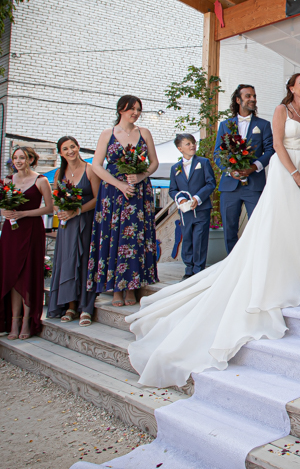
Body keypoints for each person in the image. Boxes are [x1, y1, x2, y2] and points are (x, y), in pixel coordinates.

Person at [126, 73, 300, 388]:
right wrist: (276, 172)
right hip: (276, 176)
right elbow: (260, 148)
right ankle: (252, 271)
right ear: (290, 88)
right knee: (256, 229)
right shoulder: (272, 113)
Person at [88, 95, 160, 307]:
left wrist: (141, 176)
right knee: (114, 236)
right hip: (113, 192)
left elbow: (154, 162)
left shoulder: (144, 133)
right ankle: (116, 289)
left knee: (135, 238)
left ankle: (132, 287)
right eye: (132, 109)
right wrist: (119, 185)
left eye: (138, 109)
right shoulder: (107, 134)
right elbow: (96, 165)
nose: (136, 113)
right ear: (121, 110)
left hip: (138, 192)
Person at [0, 146, 53, 340]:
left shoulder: (41, 180)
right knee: (12, 274)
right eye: (15, 158)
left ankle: (27, 320)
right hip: (11, 231)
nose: (18, 161)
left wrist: (24, 213)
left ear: (31, 159)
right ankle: (14, 320)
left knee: (27, 273)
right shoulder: (7, 181)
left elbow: (49, 208)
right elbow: (1, 207)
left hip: (32, 230)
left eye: (22, 158)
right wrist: (4, 212)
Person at [214, 84, 274, 255]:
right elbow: (217, 153)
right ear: (238, 100)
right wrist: (229, 170)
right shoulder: (225, 125)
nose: (252, 99)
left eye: (254, 96)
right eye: (248, 96)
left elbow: (270, 151)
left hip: (254, 185)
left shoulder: (263, 125)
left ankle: (255, 261)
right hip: (229, 186)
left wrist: (253, 168)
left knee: (258, 227)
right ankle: (233, 264)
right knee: (229, 229)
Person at [49, 136, 101, 325]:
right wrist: (60, 211)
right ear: (60, 153)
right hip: (67, 225)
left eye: (73, 146)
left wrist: (77, 210)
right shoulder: (59, 173)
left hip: (85, 221)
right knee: (68, 262)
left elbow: (98, 198)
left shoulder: (90, 170)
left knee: (85, 261)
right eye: (65, 149)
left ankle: (86, 307)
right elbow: (55, 200)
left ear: (78, 147)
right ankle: (70, 305)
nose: (70, 151)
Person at [169, 133, 217, 279]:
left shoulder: (203, 162)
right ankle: (188, 269)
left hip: (201, 209)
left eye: (193, 143)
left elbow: (210, 183)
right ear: (180, 148)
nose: (192, 146)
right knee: (187, 238)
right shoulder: (175, 168)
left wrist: (197, 197)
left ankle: (198, 270)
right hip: (186, 211)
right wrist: (181, 199)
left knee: (199, 238)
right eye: (188, 144)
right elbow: (172, 190)